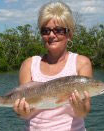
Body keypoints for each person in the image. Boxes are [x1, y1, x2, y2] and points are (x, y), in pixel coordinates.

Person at [13, 1, 93, 131]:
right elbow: (26, 115)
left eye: (59, 30)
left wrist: (80, 107)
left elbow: (84, 112)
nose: (51, 35)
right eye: (46, 31)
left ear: (70, 34)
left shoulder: (81, 63)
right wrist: (21, 112)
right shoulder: (29, 64)